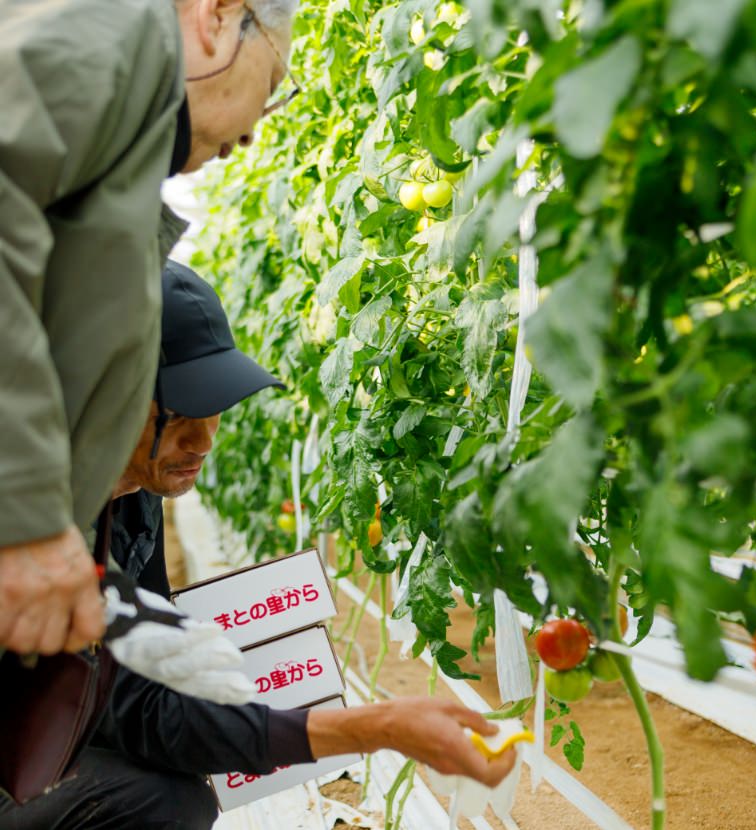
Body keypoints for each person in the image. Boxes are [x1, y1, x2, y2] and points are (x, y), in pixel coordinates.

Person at [0, 262, 517, 829]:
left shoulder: (131, 490)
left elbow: (141, 692)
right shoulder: (28, 516)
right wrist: (377, 728)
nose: (203, 440)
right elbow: (140, 706)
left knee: (171, 783)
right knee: (156, 801)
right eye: (180, 413)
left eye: (214, 407)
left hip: (37, 728)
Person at [0, 0, 301, 658]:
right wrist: (28, 518)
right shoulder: (108, 42)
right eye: (272, 86)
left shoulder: (122, 128)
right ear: (220, 15)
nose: (255, 130)